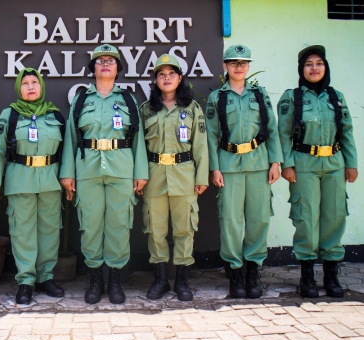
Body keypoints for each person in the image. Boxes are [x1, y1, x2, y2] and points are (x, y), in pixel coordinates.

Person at [59, 44, 149, 305]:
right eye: (100, 61)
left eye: (111, 61)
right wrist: (68, 173)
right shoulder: (81, 100)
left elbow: (138, 138)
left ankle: (116, 280)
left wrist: (140, 172)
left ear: (118, 69)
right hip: (87, 169)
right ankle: (95, 279)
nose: (106, 64)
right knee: (90, 225)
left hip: (122, 168)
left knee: (119, 225)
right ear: (94, 69)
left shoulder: (128, 100)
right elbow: (70, 138)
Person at [277, 44, 358, 298]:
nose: (314, 68)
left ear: (326, 67)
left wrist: (351, 162)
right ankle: (307, 276)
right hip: (304, 164)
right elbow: (284, 134)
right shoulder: (292, 97)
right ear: (301, 69)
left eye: (319, 63)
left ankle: (332, 275)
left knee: (335, 216)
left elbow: (346, 132)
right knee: (306, 218)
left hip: (334, 163)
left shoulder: (336, 97)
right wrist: (287, 165)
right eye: (309, 64)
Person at [205, 45, 283, 299]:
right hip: (228, 166)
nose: (239, 67)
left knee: (259, 219)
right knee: (230, 221)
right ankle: (235, 271)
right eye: (233, 62)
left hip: (259, 164)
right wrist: (214, 167)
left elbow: (271, 129)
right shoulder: (218, 97)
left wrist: (275, 162)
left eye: (243, 62)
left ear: (248, 67)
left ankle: (252, 271)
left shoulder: (259, 95)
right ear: (225, 67)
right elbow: (212, 136)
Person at [0, 68, 66, 305]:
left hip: (50, 180)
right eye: (25, 83)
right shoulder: (10, 115)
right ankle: (26, 281)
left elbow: (66, 151)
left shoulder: (55, 115)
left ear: (41, 87)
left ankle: (46, 277)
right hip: (20, 180)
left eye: (35, 83)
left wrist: (68, 179)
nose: (30, 87)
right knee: (23, 232)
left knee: (50, 231)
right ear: (18, 88)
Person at [139, 54, 208, 301]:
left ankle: (181, 281)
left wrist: (202, 177)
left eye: (171, 74)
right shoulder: (146, 110)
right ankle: (159, 280)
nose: (166, 78)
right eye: (161, 74)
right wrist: (139, 176)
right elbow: (139, 148)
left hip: (184, 176)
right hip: (154, 175)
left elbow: (200, 145)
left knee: (184, 229)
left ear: (180, 79)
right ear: (156, 81)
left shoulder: (192, 109)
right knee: (156, 230)